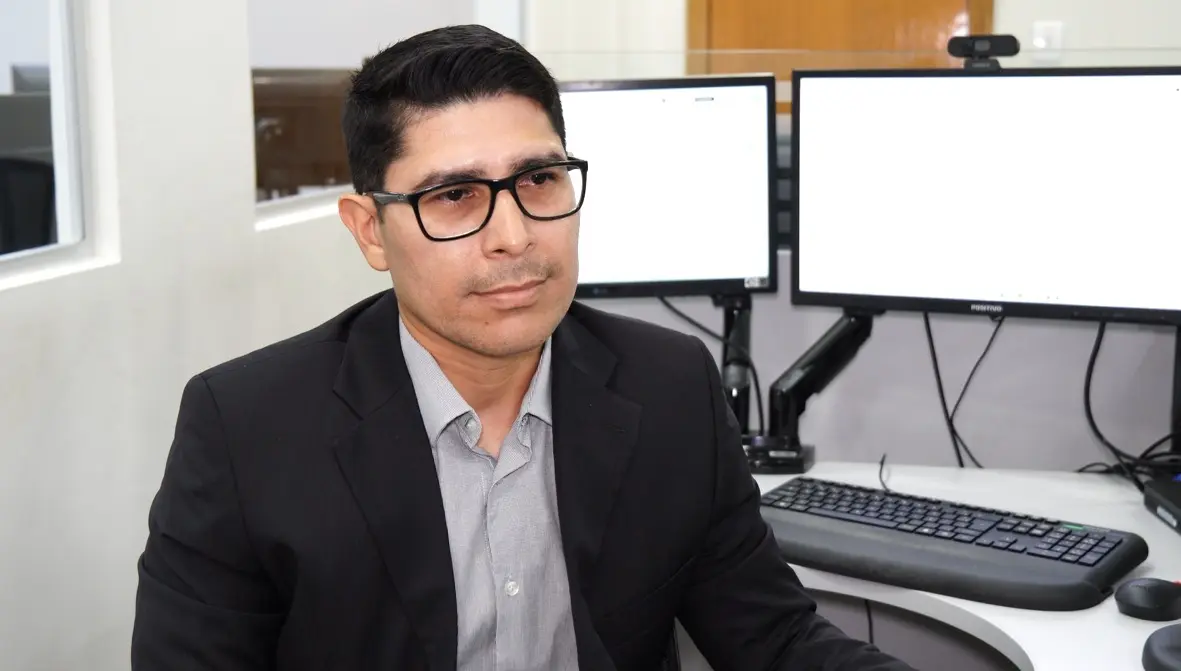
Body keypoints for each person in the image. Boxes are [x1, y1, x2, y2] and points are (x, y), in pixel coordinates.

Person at [131, 24, 914, 671]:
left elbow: (772, 640)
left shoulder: (668, 385)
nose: (513, 237)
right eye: (453, 195)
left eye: (538, 179)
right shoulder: (245, 427)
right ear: (371, 230)